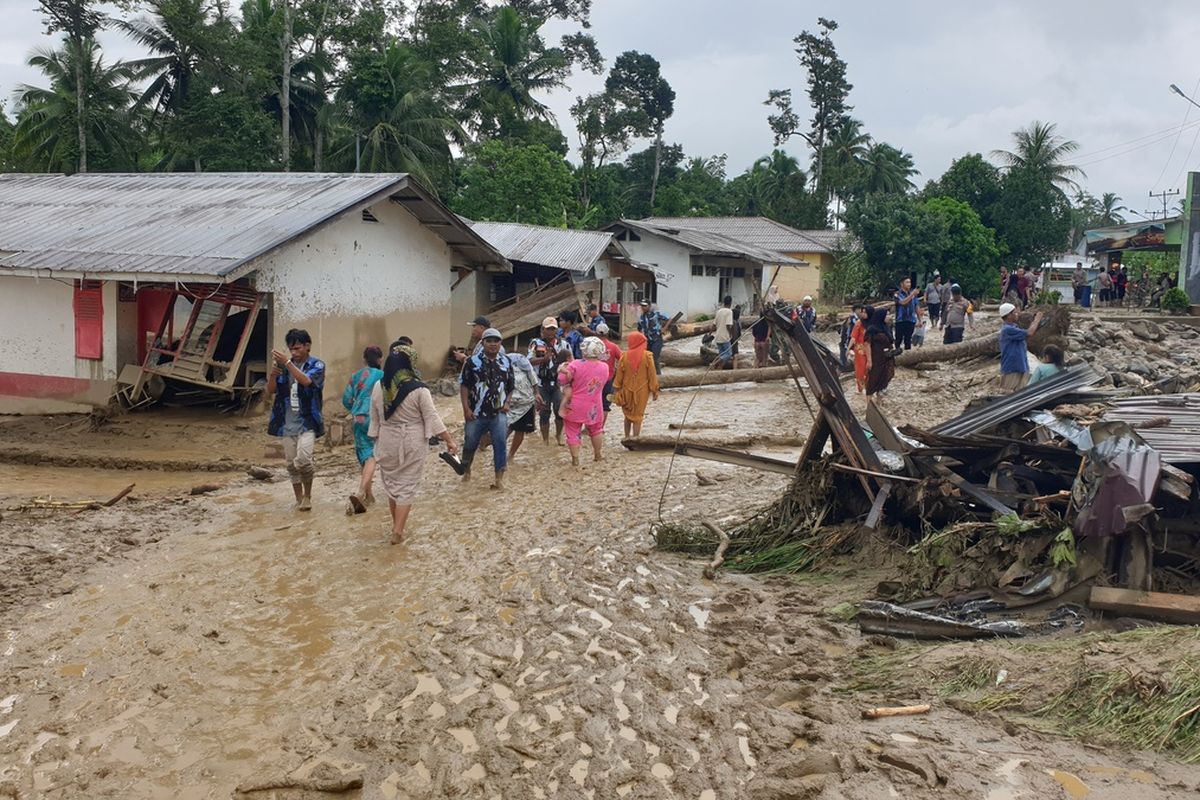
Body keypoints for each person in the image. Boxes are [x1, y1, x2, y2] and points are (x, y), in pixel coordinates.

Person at [369, 344, 456, 545]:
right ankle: (398, 532)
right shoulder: (419, 389)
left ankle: (396, 526)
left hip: (386, 440)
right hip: (412, 441)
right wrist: (449, 440)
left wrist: (376, 439)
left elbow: (374, 416)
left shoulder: (379, 386)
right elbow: (432, 417)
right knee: (407, 486)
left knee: (392, 485)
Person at [267, 328, 325, 511]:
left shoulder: (317, 365)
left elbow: (307, 381)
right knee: (291, 464)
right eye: (291, 349)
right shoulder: (285, 366)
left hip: (308, 422)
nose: (294, 352)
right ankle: (299, 499)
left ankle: (308, 496)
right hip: (287, 423)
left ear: (307, 346)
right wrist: (273, 374)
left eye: (297, 348)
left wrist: (287, 363)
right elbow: (271, 390)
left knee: (304, 459)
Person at [459, 328, 514, 489]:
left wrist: (507, 402)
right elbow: (464, 386)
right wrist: (466, 409)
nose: (492, 344)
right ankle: (466, 471)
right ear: (482, 343)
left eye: (496, 341)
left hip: (499, 412)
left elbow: (511, 386)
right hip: (476, 412)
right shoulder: (472, 362)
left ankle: (499, 479)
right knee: (470, 443)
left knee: (500, 443)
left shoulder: (506, 362)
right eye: (489, 341)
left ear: (500, 343)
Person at [342, 345, 384, 514]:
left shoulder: (355, 376)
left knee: (363, 454)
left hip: (358, 417)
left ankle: (369, 495)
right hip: (374, 417)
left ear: (364, 360)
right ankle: (361, 492)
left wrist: (356, 408)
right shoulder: (382, 375)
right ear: (380, 359)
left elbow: (346, 399)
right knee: (371, 456)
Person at [560, 337, 609, 466]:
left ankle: (575, 460)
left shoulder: (575, 364)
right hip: (594, 405)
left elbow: (562, 380)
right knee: (596, 430)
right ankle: (597, 455)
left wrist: (562, 369)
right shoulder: (605, 367)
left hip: (574, 405)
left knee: (572, 432)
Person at [528, 317, 572, 445]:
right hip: (541, 383)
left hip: (559, 384)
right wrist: (543, 360)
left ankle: (559, 435)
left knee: (560, 410)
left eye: (553, 329)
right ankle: (545, 440)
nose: (550, 332)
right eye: (548, 329)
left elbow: (572, 362)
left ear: (556, 330)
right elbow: (528, 361)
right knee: (544, 412)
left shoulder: (564, 344)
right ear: (542, 330)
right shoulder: (536, 344)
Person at [613, 331, 660, 438]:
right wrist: (654, 390)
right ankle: (635, 439)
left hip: (626, 390)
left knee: (627, 416)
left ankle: (626, 437)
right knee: (638, 417)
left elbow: (619, 376)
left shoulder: (624, 356)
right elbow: (652, 375)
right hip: (642, 391)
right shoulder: (647, 356)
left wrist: (617, 390)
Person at [998, 302, 1043, 393]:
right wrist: (1037, 320)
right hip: (1012, 367)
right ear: (1009, 315)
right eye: (1014, 313)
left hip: (1020, 365)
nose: (1017, 314)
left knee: (1021, 393)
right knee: (1010, 393)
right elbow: (1029, 332)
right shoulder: (1008, 329)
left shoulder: (1014, 327)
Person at [505, 351, 541, 463]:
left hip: (525, 403)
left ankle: (510, 456)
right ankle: (495, 450)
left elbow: (533, 380)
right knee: (505, 428)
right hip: (509, 404)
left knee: (519, 430)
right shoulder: (502, 369)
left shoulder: (526, 368)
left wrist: (537, 394)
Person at [863, 308, 895, 406]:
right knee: (874, 378)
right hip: (876, 358)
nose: (889, 317)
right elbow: (867, 344)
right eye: (886, 315)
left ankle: (879, 400)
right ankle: (869, 403)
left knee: (885, 377)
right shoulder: (872, 329)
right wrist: (869, 360)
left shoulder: (886, 328)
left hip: (887, 357)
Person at [595, 322, 623, 413]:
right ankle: (602, 422)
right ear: (607, 333)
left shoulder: (592, 347)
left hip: (593, 381)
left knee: (593, 404)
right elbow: (623, 360)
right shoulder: (613, 347)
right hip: (608, 380)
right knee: (605, 406)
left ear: (596, 334)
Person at [637, 301, 670, 375]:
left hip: (657, 339)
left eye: (645, 306)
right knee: (647, 358)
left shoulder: (656, 313)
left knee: (655, 358)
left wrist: (664, 328)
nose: (643, 307)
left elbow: (669, 318)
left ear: (649, 306)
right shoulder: (641, 317)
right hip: (647, 340)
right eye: (642, 306)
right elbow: (639, 329)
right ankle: (649, 375)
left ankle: (658, 375)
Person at [893, 277, 921, 350]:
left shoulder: (913, 294)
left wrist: (919, 319)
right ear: (902, 284)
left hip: (911, 319)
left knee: (908, 339)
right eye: (907, 282)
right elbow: (903, 302)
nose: (909, 284)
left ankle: (908, 354)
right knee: (898, 339)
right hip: (900, 320)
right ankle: (897, 353)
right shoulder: (897, 294)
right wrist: (912, 294)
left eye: (910, 282)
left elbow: (916, 306)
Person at [849, 303, 870, 394]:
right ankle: (861, 388)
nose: (863, 314)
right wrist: (849, 348)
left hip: (869, 349)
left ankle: (867, 387)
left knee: (867, 369)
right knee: (861, 369)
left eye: (864, 312)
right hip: (860, 350)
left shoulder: (872, 323)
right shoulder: (859, 323)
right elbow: (853, 337)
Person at [713, 295, 735, 369]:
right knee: (728, 354)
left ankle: (719, 368)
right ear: (730, 303)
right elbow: (728, 325)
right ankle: (716, 362)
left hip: (718, 336)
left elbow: (714, 324)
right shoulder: (729, 312)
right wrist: (730, 334)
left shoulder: (719, 311)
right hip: (725, 337)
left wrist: (710, 333)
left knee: (722, 354)